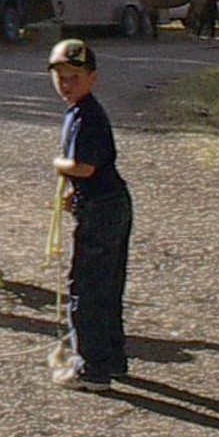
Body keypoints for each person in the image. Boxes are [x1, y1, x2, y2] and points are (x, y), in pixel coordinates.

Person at [48, 38, 133, 392]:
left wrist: (60, 165)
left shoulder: (88, 116)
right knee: (107, 284)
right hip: (107, 201)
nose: (66, 84)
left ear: (92, 79)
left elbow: (84, 166)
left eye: (75, 77)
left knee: (87, 287)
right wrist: (75, 192)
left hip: (102, 209)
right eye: (61, 77)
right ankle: (112, 358)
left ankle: (93, 368)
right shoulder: (78, 112)